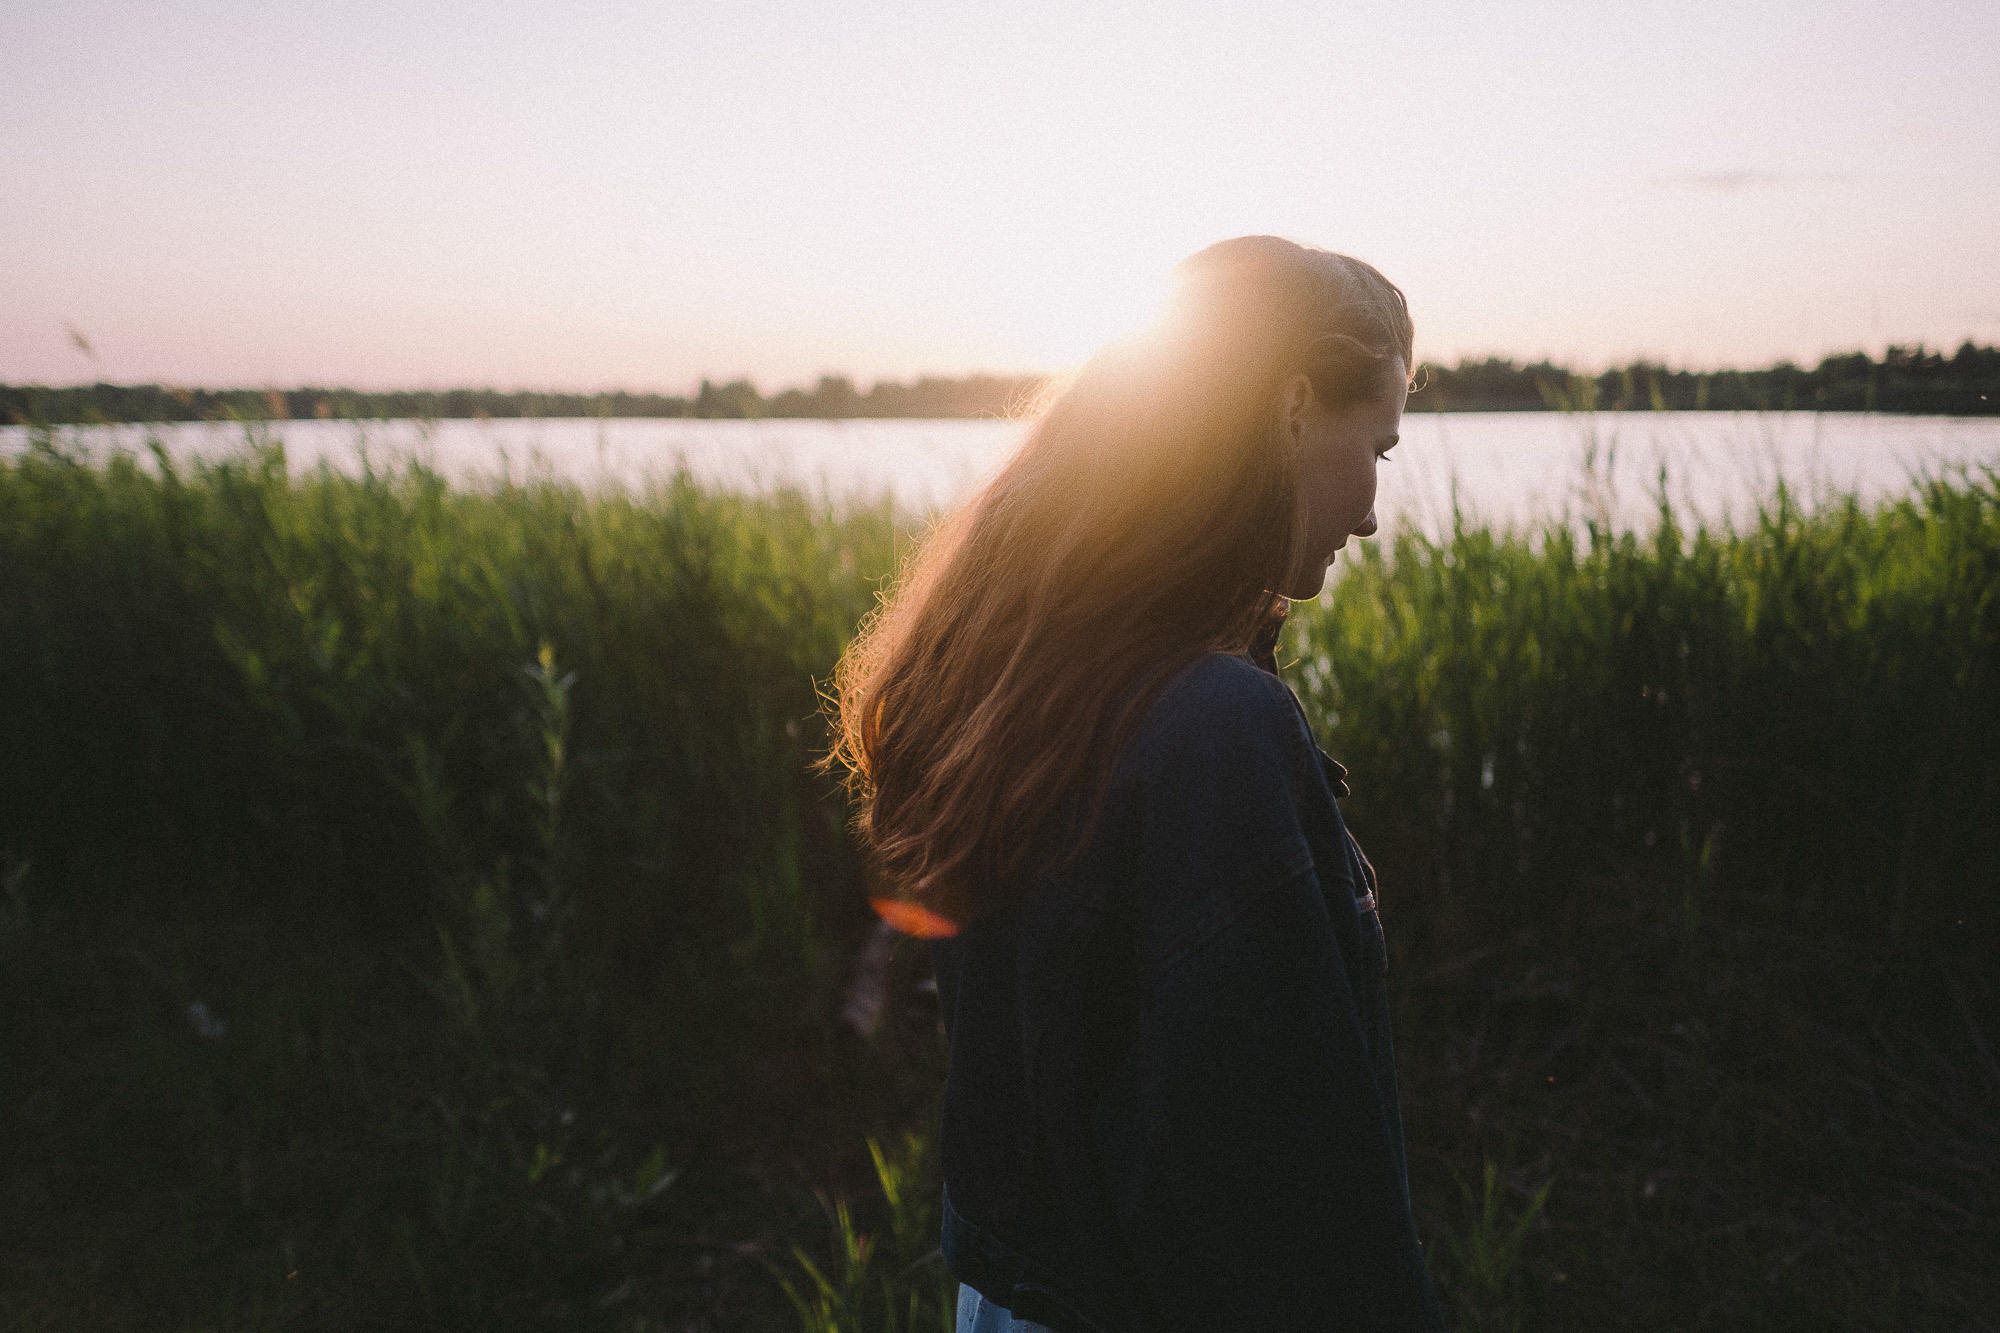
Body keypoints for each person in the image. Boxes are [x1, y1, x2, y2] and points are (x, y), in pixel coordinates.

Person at [826, 236, 1444, 1332]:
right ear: (1295, 405)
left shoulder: (1035, 688)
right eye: (1379, 450)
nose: (1370, 513)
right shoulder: (1214, 728)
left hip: (1012, 1297)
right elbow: (1274, 1185)